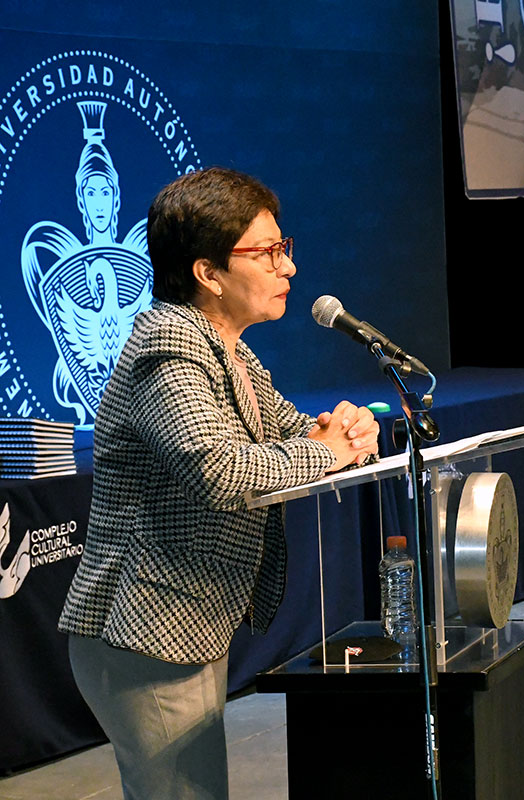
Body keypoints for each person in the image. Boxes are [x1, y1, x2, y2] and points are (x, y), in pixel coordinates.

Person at [58, 167, 380, 800]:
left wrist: (352, 432)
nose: (288, 267)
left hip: (190, 622)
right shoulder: (167, 343)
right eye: (269, 252)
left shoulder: (229, 348)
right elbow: (224, 470)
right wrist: (327, 449)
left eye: (285, 249)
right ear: (208, 273)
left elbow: (300, 438)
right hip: (143, 629)